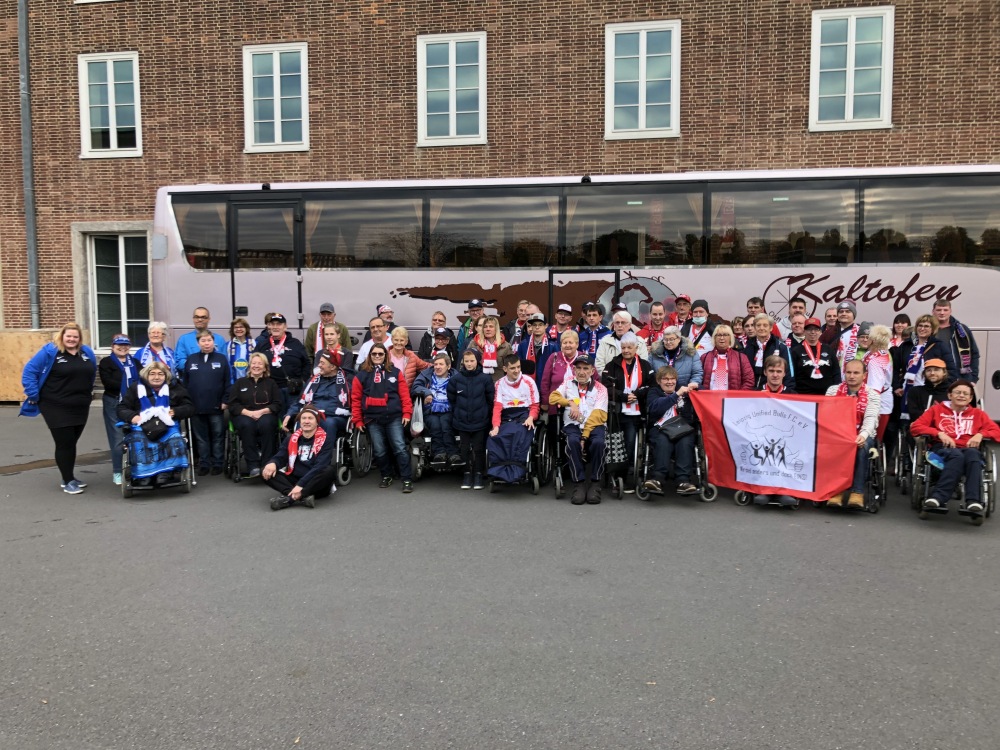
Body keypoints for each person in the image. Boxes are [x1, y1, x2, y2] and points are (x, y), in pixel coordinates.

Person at [21, 322, 97, 494]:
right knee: (64, 443)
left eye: (75, 337)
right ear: (62, 336)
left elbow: (91, 373)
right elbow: (29, 371)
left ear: (79, 339)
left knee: (72, 441)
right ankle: (68, 481)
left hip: (80, 404)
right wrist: (33, 394)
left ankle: (68, 476)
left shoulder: (87, 353)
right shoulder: (50, 352)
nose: (71, 339)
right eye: (68, 336)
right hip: (55, 405)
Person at [911, 379, 1000, 514]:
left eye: (965, 393)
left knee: (973, 457)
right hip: (942, 447)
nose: (961, 395)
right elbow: (916, 427)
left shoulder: (978, 414)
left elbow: (996, 431)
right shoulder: (936, 410)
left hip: (968, 448)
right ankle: (938, 497)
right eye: (957, 392)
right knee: (957, 455)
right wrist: (938, 433)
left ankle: (973, 501)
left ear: (970, 398)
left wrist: (980, 434)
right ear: (950, 395)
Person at [117, 360, 196, 486]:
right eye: (152, 374)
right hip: (142, 426)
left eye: (160, 374)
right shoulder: (136, 388)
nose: (156, 377)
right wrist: (133, 416)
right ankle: (143, 474)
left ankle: (166, 472)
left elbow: (190, 407)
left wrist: (175, 411)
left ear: (166, 376)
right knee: (138, 441)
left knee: (174, 439)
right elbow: (122, 408)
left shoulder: (175, 388)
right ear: (146, 375)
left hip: (167, 426)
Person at [351, 343, 414, 492]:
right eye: (374, 354)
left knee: (399, 447)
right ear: (370, 356)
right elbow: (355, 399)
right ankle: (387, 475)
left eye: (381, 354)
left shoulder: (395, 372)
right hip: (373, 419)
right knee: (379, 450)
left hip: (393, 417)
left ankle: (406, 479)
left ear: (386, 355)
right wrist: (358, 420)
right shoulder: (361, 375)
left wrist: (407, 413)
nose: (377, 356)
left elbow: (404, 395)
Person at [549, 355, 608, 504]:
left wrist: (585, 437)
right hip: (573, 425)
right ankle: (579, 483)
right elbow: (553, 398)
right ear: (574, 369)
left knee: (599, 443)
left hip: (593, 426)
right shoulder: (567, 384)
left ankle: (595, 483)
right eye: (579, 368)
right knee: (572, 441)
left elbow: (597, 416)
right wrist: (569, 403)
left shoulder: (601, 389)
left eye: (586, 368)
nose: (582, 372)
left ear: (592, 371)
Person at [602, 333, 655, 491]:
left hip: (637, 412)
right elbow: (605, 386)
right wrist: (623, 396)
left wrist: (637, 395)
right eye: (623, 347)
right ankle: (614, 475)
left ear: (636, 348)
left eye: (629, 347)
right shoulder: (612, 365)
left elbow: (651, 386)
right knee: (616, 445)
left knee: (630, 443)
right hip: (618, 411)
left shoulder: (645, 365)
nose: (626, 350)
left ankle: (627, 475)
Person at [825, 360, 880, 510]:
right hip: (837, 433)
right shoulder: (832, 391)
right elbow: (827, 415)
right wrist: (838, 435)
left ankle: (857, 492)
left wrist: (862, 435)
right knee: (835, 447)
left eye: (856, 373)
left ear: (864, 375)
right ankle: (837, 490)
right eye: (848, 372)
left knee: (861, 448)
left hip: (862, 433)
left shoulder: (873, 395)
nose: (851, 376)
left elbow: (870, 420)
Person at [263, 405, 338, 511]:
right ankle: (302, 497)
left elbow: (319, 467)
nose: (306, 421)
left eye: (310, 418)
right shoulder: (291, 439)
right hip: (295, 480)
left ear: (317, 422)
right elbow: (281, 456)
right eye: (303, 418)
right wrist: (273, 463)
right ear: (299, 421)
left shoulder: (326, 439)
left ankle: (290, 498)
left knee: (329, 471)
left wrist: (300, 485)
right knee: (266, 469)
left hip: (315, 484)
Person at [641, 366, 699, 497]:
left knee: (685, 441)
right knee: (663, 440)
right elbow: (655, 408)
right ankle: (658, 478)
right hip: (660, 427)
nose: (669, 382)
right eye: (665, 379)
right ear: (658, 381)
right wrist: (676, 395)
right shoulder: (654, 392)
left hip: (682, 428)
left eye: (672, 379)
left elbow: (701, 400)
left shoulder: (686, 392)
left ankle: (683, 481)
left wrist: (697, 387)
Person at [226, 352, 283, 478]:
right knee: (247, 425)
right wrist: (249, 413)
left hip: (266, 414)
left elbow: (277, 404)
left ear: (265, 367)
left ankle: (267, 464)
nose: (256, 366)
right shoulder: (240, 383)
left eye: (260, 363)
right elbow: (233, 405)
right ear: (249, 365)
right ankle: (253, 466)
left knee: (266, 424)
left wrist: (261, 412)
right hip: (244, 415)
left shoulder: (271, 383)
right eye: (254, 363)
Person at [183, 330, 231, 476]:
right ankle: (204, 463)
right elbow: (186, 383)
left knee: (218, 436)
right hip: (196, 407)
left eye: (209, 340)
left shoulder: (222, 359)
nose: (206, 343)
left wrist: (225, 400)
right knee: (201, 438)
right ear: (198, 343)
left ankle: (218, 463)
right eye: (203, 341)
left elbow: (227, 382)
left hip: (216, 406)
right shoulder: (191, 360)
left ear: (213, 342)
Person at [894, 314, 958, 423]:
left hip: (928, 391)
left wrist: (940, 388)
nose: (922, 328)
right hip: (907, 391)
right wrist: (896, 386)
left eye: (927, 326)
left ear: (933, 329)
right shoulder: (907, 345)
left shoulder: (939, 346)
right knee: (907, 424)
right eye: (920, 325)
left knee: (926, 421)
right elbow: (895, 368)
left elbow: (951, 370)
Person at [449, 348, 495, 490]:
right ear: (462, 362)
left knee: (479, 448)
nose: (469, 364)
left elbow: (490, 399)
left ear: (477, 361)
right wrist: (459, 411)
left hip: (480, 420)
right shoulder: (456, 379)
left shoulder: (485, 378)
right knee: (464, 448)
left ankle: (479, 474)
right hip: (462, 420)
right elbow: (452, 398)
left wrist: (484, 412)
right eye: (466, 361)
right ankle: (467, 474)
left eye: (472, 361)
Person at [98, 333, 140, 485]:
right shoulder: (106, 362)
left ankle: (136, 468)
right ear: (112, 346)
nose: (122, 347)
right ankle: (117, 471)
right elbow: (108, 383)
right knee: (117, 437)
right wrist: (131, 384)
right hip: (113, 402)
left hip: (134, 403)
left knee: (137, 436)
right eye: (119, 345)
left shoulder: (135, 362)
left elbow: (143, 379)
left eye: (126, 345)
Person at [285, 348, 351, 443]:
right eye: (319, 362)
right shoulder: (312, 381)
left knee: (328, 423)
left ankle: (324, 454)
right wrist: (289, 414)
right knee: (303, 421)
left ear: (332, 366)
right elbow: (299, 401)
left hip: (335, 417)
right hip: (313, 415)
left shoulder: (347, 382)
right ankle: (303, 452)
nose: (319, 365)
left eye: (322, 363)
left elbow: (356, 403)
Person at [412, 353, 460, 466]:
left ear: (448, 366)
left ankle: (453, 453)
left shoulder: (456, 377)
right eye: (436, 364)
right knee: (435, 425)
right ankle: (439, 453)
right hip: (430, 410)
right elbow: (416, 386)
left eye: (441, 364)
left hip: (449, 410)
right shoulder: (426, 375)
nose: (437, 367)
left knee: (446, 424)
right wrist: (426, 393)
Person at [255, 313, 309, 412]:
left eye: (279, 324)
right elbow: (254, 364)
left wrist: (303, 381)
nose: (275, 327)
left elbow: (307, 363)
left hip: (293, 390)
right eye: (273, 324)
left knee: (292, 418)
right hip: (271, 390)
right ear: (269, 327)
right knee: (274, 420)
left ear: (285, 327)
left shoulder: (295, 343)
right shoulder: (262, 345)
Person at [932, 298, 979, 382]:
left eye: (945, 310)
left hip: (958, 378)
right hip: (932, 376)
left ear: (950, 311)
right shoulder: (927, 330)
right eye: (938, 310)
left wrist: (973, 378)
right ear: (933, 312)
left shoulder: (962, 330)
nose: (942, 313)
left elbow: (974, 354)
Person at [789, 317, 840, 395]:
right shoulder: (796, 351)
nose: (813, 332)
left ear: (820, 332)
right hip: (804, 395)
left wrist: (836, 389)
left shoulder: (828, 349)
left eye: (816, 329)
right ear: (804, 331)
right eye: (809, 329)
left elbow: (836, 371)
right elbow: (792, 374)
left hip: (827, 395)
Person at [743, 313, 793, 389]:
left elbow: (788, 373)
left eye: (765, 325)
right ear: (755, 328)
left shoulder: (781, 347)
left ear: (771, 328)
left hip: (773, 392)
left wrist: (786, 392)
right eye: (758, 325)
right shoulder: (748, 347)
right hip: (752, 392)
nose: (761, 328)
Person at [862, 324, 893, 441]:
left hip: (878, 400)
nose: (866, 339)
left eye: (868, 337)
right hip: (873, 396)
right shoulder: (870, 354)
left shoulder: (876, 360)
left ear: (874, 340)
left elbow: (875, 388)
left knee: (874, 438)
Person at [701, 325, 754, 391]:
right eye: (718, 335)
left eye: (725, 335)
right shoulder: (705, 357)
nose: (722, 338)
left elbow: (749, 380)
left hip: (732, 399)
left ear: (731, 338)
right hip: (708, 399)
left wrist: (738, 396)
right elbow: (698, 379)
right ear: (714, 338)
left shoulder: (741, 357)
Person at [174, 307, 226, 371]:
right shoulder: (184, 339)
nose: (200, 320)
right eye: (196, 317)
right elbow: (179, 363)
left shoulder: (219, 339)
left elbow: (225, 363)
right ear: (193, 319)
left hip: (215, 378)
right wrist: (198, 368)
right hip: (192, 378)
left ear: (209, 319)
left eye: (203, 317)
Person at [820, 299, 861, 375]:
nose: (844, 314)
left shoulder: (860, 331)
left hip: (855, 374)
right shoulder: (828, 333)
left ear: (854, 315)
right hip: (834, 374)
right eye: (841, 311)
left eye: (847, 311)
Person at [467, 315, 511, 381]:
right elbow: (464, 363)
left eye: (491, 326)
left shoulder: (505, 346)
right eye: (485, 327)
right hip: (478, 383)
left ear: (496, 329)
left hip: (498, 383)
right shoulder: (474, 344)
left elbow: (511, 367)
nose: (488, 329)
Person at [906, 359, 951, 423]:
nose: (932, 373)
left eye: (936, 370)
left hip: (947, 427)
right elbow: (913, 413)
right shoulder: (915, 391)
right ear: (924, 373)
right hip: (921, 427)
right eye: (929, 370)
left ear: (944, 372)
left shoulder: (952, 392)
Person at [517, 312, 554, 383]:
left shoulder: (553, 346)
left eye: (540, 325)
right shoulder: (523, 345)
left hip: (546, 384)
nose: (537, 327)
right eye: (534, 325)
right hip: (527, 384)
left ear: (546, 326)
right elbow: (519, 366)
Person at [226, 317, 255, 383]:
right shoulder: (228, 345)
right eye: (236, 327)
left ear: (246, 329)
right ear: (232, 330)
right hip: (233, 382)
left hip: (251, 381)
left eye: (241, 327)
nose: (239, 329)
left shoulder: (254, 343)